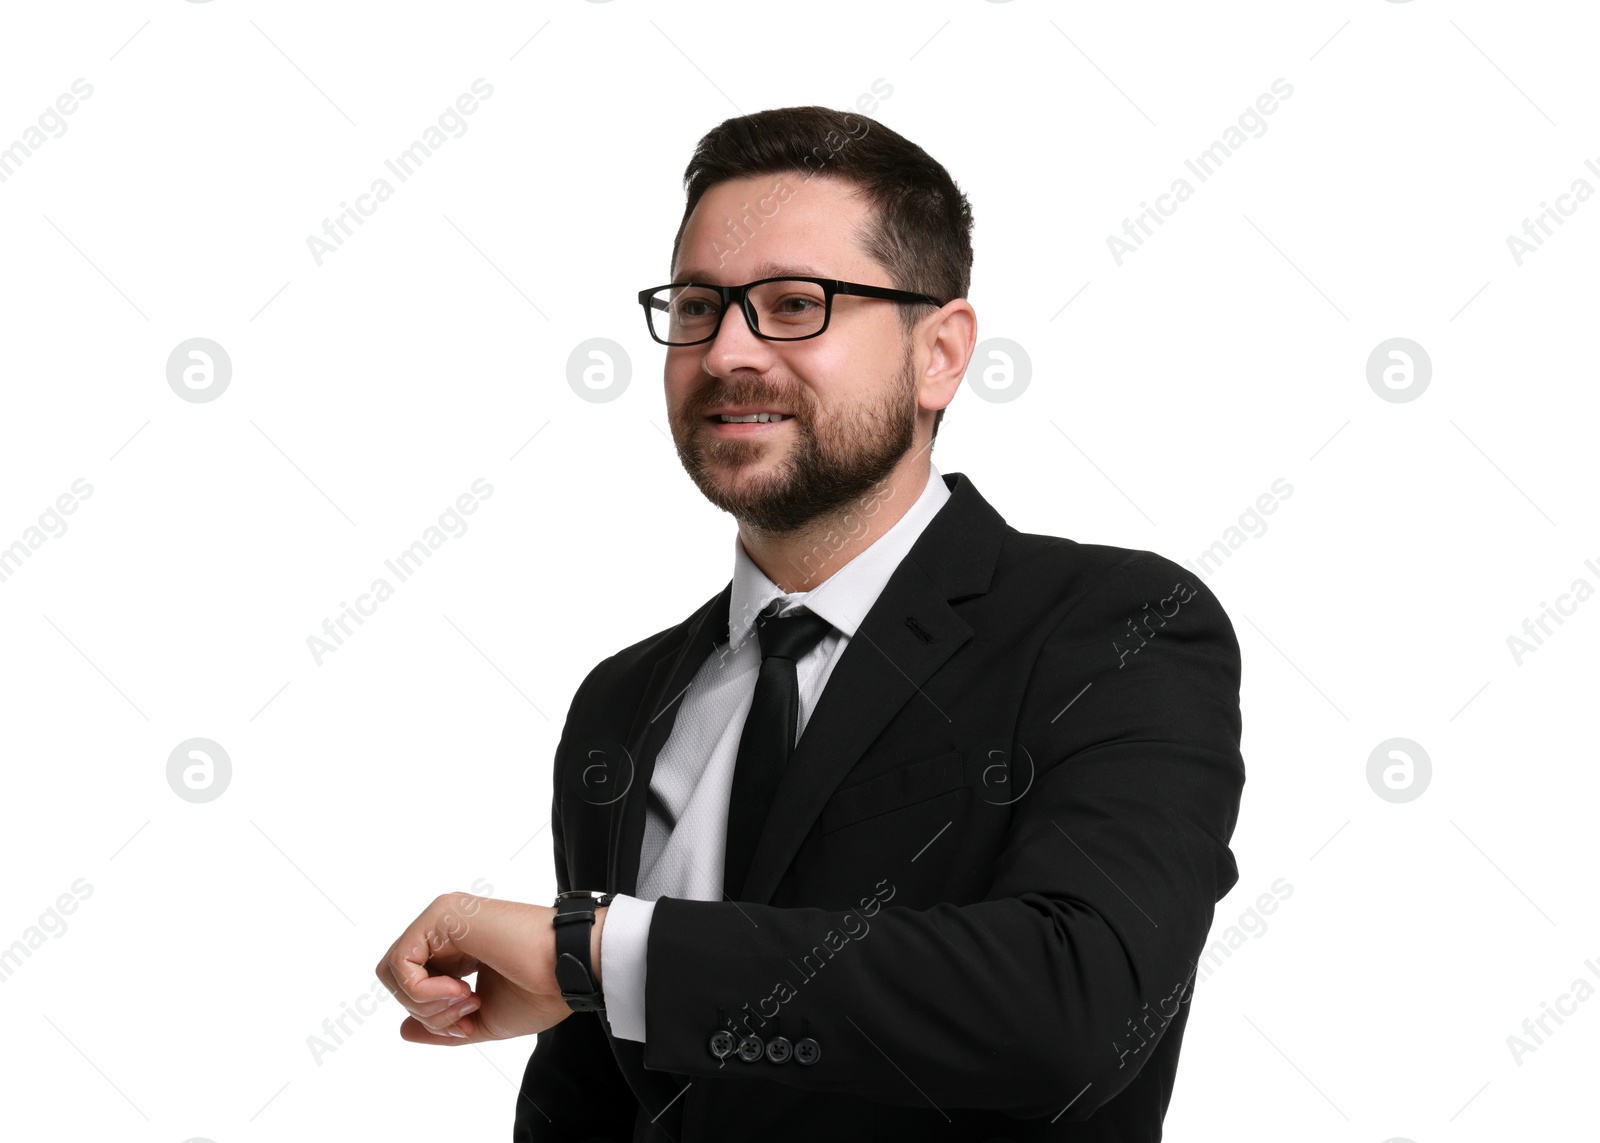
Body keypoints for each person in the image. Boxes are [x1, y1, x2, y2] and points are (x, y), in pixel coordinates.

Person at [376, 105, 1245, 1142]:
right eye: (698, 306)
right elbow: (597, 1098)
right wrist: (600, 967)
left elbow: (1072, 1009)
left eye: (794, 304)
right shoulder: (624, 701)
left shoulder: (1113, 629)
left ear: (940, 353)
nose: (727, 350)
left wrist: (590, 951)